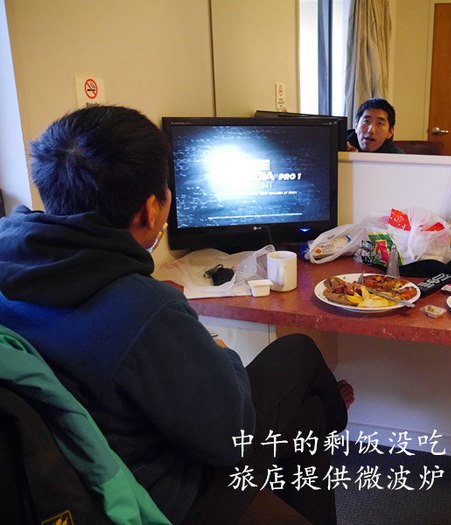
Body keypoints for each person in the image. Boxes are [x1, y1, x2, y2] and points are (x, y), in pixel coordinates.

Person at [0, 105, 354, 525]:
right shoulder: (143, 308)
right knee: (299, 353)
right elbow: (232, 437)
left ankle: (327, 414)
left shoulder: (13, 269)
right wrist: (212, 342)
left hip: (74, 477)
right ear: (151, 209)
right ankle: (336, 414)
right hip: (162, 498)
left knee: (307, 413)